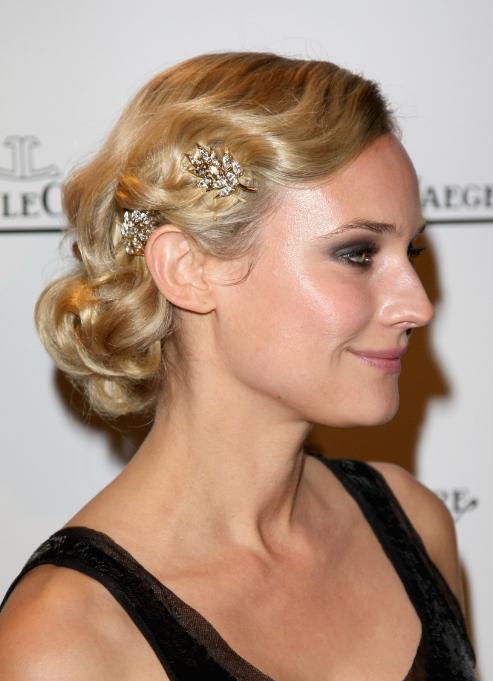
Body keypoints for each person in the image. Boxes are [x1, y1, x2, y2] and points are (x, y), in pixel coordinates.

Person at [0, 51, 477, 681]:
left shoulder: (415, 525)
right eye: (358, 253)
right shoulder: (68, 642)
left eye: (409, 251)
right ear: (189, 269)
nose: (417, 304)